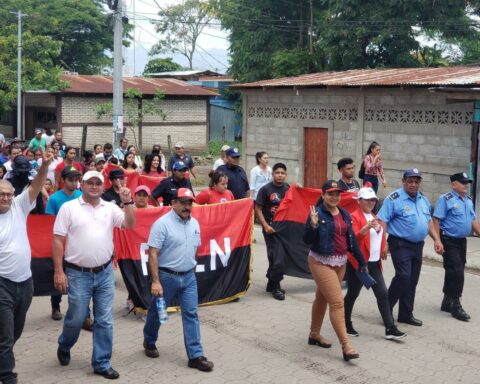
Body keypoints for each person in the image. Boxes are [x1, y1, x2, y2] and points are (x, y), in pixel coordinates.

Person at [52, 170, 135, 380]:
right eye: (90, 183)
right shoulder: (68, 208)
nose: (95, 186)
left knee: (104, 320)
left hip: (105, 272)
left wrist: (128, 202)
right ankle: (65, 344)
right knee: (77, 317)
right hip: (77, 273)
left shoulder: (110, 207)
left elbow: (130, 224)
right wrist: (59, 271)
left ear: (103, 186)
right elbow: (57, 240)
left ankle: (101, 362)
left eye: (98, 183)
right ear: (82, 184)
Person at [143, 188, 214, 372]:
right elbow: (153, 253)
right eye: (182, 202)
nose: (187, 206)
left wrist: (191, 265)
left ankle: (195, 356)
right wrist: (156, 281)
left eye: (189, 202)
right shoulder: (162, 224)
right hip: (166, 278)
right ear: (173, 202)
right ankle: (149, 340)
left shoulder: (195, 224)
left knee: (191, 314)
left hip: (189, 277)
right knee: (159, 312)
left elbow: (196, 248)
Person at [0, 150, 53, 384]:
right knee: (6, 336)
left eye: (9, 194)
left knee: (15, 333)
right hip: (2, 285)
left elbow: (35, 187)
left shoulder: (19, 207)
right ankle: (7, 375)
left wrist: (43, 168)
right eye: (1, 195)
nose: (6, 199)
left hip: (26, 283)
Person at [303, 180, 367, 361]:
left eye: (337, 194)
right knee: (338, 303)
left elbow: (351, 241)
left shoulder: (345, 214)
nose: (334, 197)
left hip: (341, 263)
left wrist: (361, 261)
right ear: (322, 195)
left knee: (321, 298)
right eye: (330, 193)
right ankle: (346, 346)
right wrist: (313, 225)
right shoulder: (316, 213)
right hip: (320, 262)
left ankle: (314, 335)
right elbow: (307, 239)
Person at [377, 168, 443, 327]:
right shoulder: (394, 199)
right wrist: (383, 242)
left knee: (412, 280)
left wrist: (437, 240)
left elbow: (428, 223)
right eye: (410, 181)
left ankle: (405, 314)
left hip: (418, 245)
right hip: (400, 243)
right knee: (404, 276)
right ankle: (386, 310)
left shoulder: (424, 200)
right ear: (403, 182)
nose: (413, 184)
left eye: (416, 181)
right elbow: (382, 220)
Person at [343, 187, 406, 340]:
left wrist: (384, 245)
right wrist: (364, 229)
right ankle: (345, 323)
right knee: (352, 294)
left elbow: (381, 233)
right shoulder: (353, 217)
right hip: (359, 264)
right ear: (359, 201)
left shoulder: (374, 217)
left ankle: (390, 328)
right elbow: (352, 241)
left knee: (382, 293)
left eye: (373, 200)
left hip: (374, 264)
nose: (371, 202)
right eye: (368, 200)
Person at [433, 172, 480, 322]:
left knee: (453, 271)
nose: (465, 185)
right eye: (462, 182)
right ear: (454, 184)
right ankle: (456, 305)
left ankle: (447, 301)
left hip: (461, 242)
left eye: (466, 182)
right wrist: (437, 240)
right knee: (457, 271)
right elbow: (436, 220)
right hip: (449, 240)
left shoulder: (468, 200)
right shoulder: (445, 199)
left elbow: (473, 221)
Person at [46, 166, 83, 322]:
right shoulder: (54, 199)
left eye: (76, 180)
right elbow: (48, 223)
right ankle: (56, 306)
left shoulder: (82, 195)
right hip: (61, 243)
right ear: (62, 180)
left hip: (78, 243)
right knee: (59, 274)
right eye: (70, 180)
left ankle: (83, 311)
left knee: (81, 278)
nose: (74, 183)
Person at [255, 163, 290, 300]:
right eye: (277, 173)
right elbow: (257, 208)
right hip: (270, 229)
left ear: (285, 175)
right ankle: (276, 288)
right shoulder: (265, 189)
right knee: (276, 258)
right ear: (272, 174)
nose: (280, 175)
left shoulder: (287, 189)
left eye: (282, 173)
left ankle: (271, 283)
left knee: (278, 257)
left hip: (283, 229)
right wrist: (265, 225)